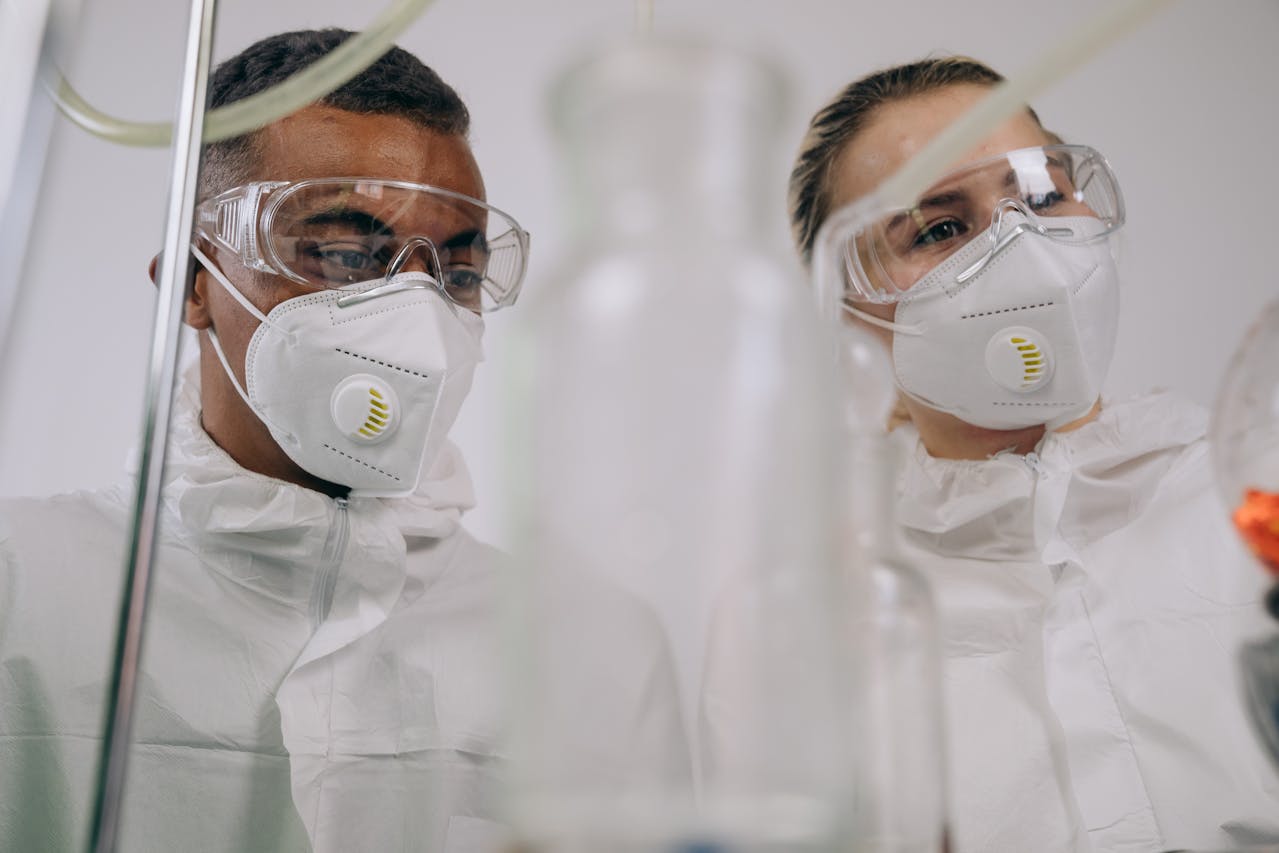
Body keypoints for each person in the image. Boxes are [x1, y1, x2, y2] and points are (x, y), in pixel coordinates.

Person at [0, 28, 689, 853]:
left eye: (457, 274)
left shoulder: (595, 651)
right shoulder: (22, 591)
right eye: (341, 251)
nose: (417, 315)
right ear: (192, 282)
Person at [788, 57, 1279, 852]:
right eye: (939, 227)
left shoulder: (1255, 503)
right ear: (847, 322)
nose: (1025, 242)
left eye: (1045, 194)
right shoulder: (810, 622)